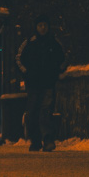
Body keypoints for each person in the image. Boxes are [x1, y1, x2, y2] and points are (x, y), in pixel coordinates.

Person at [16, 14, 67, 151]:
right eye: (40, 25)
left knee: (45, 111)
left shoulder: (54, 42)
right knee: (33, 112)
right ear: (36, 27)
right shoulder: (29, 43)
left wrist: (57, 72)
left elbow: (63, 59)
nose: (43, 28)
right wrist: (26, 73)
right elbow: (19, 59)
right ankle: (36, 140)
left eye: (45, 25)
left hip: (48, 83)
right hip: (33, 84)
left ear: (48, 26)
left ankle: (47, 139)